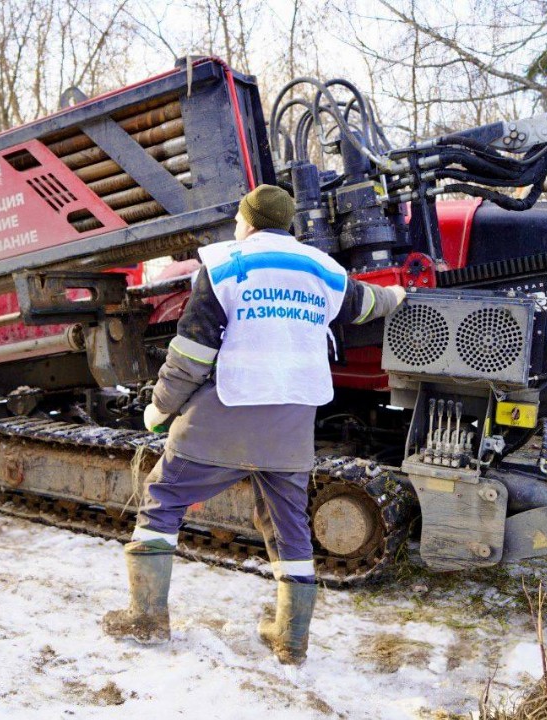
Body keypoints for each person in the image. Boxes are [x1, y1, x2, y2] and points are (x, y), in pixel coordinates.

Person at [101, 184, 406, 664]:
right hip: (291, 425)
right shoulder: (323, 271)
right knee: (289, 526)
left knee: (162, 498)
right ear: (288, 226)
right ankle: (291, 640)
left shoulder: (223, 267)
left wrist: (159, 409)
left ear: (246, 222)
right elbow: (367, 304)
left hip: (224, 413)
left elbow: (191, 356)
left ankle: (146, 618)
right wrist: (397, 293)